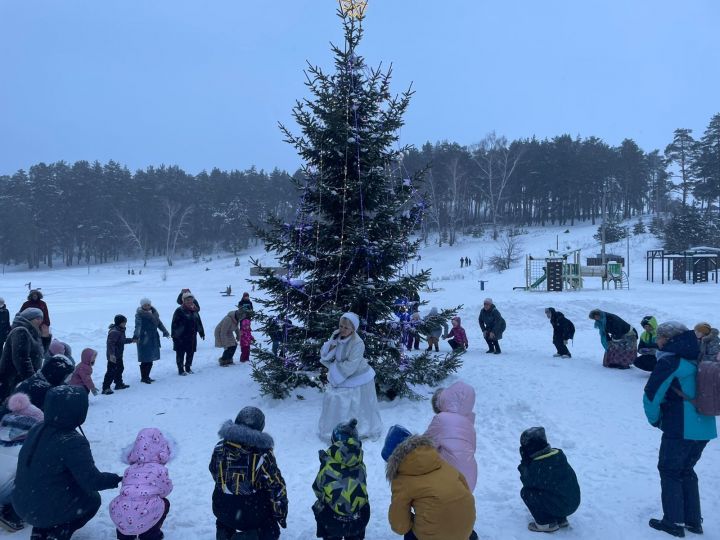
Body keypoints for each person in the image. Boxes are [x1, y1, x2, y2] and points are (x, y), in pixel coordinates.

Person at [13, 386, 123, 539]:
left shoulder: (38, 427)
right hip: (40, 508)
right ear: (79, 411)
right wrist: (117, 478)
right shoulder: (71, 441)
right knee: (92, 499)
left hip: (21, 502)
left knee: (54, 486)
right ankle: (56, 532)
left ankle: (42, 528)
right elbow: (92, 481)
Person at [644, 321, 717, 537]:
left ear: (667, 339)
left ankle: (673, 522)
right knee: (686, 470)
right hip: (705, 425)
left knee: (670, 470)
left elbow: (651, 395)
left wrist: (655, 420)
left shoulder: (671, 360)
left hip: (681, 427)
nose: (657, 341)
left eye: (659, 337)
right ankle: (693, 521)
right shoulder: (696, 355)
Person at [382, 425, 476, 540]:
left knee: (410, 534)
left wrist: (413, 520)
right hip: (467, 527)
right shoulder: (440, 462)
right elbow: (465, 487)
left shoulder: (402, 481)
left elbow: (399, 526)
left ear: (392, 461)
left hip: (436, 535)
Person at [209, 406, 288, 540]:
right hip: (251, 512)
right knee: (272, 531)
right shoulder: (262, 454)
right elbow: (275, 485)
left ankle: (224, 532)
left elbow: (213, 471)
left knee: (225, 517)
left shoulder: (219, 447)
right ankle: (250, 536)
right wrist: (280, 515)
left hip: (222, 506)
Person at [318, 313, 383, 442]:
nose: (342, 329)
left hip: (358, 376)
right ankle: (334, 427)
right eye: (341, 326)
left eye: (346, 328)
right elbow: (325, 354)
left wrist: (334, 369)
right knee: (334, 398)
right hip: (342, 374)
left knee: (354, 403)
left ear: (353, 329)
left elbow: (351, 365)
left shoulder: (358, 343)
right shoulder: (337, 336)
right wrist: (332, 343)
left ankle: (357, 428)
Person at [110, 428, 173, 540]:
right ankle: (150, 534)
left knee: (126, 504)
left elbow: (127, 491)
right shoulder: (160, 470)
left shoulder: (129, 469)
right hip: (144, 512)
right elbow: (165, 491)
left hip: (121, 514)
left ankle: (125, 536)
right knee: (164, 503)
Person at [312, 418, 370, 540]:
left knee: (321, 505)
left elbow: (317, 488)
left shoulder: (327, 464)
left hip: (333, 522)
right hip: (359, 520)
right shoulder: (360, 464)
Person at [518, 427, 581, 533]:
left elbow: (526, 481)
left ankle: (546, 524)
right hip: (572, 502)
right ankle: (561, 519)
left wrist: (525, 462)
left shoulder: (537, 466)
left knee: (527, 493)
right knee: (553, 489)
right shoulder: (558, 455)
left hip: (562, 505)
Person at [0, 393, 44, 532]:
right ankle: (12, 515)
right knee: (40, 475)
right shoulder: (32, 445)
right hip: (6, 492)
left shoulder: (3, 428)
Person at [424, 381, 477, 491]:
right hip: (470, 480)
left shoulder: (441, 419)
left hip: (449, 477)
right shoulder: (470, 426)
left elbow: (424, 445)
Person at [0, 308, 48, 401]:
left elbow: (40, 354)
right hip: (13, 379)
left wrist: (45, 338)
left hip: (22, 379)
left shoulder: (33, 332)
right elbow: (21, 359)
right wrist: (31, 380)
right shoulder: (21, 331)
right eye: (37, 318)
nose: (40, 321)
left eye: (41, 318)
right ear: (29, 319)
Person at [133, 298, 170, 384]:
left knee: (150, 358)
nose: (147, 306)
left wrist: (165, 331)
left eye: (148, 304)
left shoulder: (154, 313)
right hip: (144, 338)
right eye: (145, 305)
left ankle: (147, 376)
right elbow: (138, 326)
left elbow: (159, 323)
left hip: (153, 338)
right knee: (145, 359)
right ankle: (144, 377)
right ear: (142, 306)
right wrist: (136, 336)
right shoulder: (139, 314)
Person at [171, 292, 205, 375]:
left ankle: (188, 367)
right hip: (181, 336)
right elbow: (174, 324)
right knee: (180, 353)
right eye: (187, 300)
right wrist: (175, 336)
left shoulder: (194, 309)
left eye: (191, 299)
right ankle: (181, 370)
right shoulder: (179, 310)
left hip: (192, 335)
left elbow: (198, 321)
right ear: (183, 301)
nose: (189, 301)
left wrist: (201, 331)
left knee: (191, 352)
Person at [103, 315, 134, 395]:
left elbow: (122, 341)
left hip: (118, 355)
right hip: (113, 356)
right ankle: (106, 388)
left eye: (125, 322)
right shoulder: (114, 331)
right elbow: (110, 344)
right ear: (119, 323)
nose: (125, 324)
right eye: (124, 322)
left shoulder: (120, 330)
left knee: (120, 368)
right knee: (111, 371)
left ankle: (118, 384)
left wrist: (132, 340)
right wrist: (112, 355)